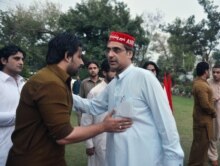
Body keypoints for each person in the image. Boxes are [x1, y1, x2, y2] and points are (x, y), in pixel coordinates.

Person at [6, 32, 132, 166]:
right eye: (79, 56)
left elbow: (89, 105)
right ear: (67, 56)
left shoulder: (53, 79)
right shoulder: (50, 83)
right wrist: (104, 126)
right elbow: (64, 135)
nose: (82, 62)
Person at [73, 31, 184, 166]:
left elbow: (166, 122)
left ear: (130, 54)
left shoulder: (145, 77)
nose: (110, 55)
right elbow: (92, 106)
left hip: (144, 158)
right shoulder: (113, 84)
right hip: (117, 159)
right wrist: (65, 93)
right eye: (108, 50)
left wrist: (173, 160)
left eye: (116, 50)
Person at [82, 59, 116, 166]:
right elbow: (86, 119)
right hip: (100, 140)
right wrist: (89, 144)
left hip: (118, 139)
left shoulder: (121, 89)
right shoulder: (95, 92)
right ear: (105, 73)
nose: (116, 74)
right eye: (113, 71)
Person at [0, 44, 25, 166]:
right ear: (4, 60)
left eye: (22, 59)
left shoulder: (24, 83)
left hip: (24, 148)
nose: (21, 62)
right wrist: (23, 116)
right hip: (3, 150)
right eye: (16, 58)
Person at [188, 61, 216, 166]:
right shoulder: (201, 85)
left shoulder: (202, 83)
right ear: (205, 71)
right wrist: (214, 112)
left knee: (203, 146)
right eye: (209, 70)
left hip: (203, 121)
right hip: (202, 122)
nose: (210, 72)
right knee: (199, 146)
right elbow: (205, 105)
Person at [77, 61, 103, 125]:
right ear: (88, 70)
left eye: (94, 68)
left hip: (101, 114)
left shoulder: (104, 82)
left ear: (98, 69)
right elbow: (80, 101)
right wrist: (80, 119)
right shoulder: (84, 83)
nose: (93, 70)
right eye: (90, 68)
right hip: (88, 114)